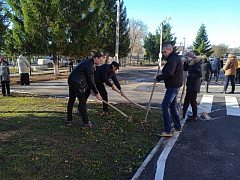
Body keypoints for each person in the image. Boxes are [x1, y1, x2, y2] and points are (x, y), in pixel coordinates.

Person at [153, 43, 183, 137]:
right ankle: (177, 127)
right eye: (163, 52)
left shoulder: (173, 59)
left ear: (170, 50)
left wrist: (158, 77)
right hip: (175, 84)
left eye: (165, 52)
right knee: (173, 106)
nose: (164, 54)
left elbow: (170, 72)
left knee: (165, 105)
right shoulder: (176, 57)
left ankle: (168, 130)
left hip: (173, 85)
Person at [67, 52, 103, 127]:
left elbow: (87, 78)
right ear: (96, 58)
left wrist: (91, 89)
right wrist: (97, 93)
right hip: (77, 83)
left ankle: (69, 120)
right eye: (100, 60)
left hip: (71, 80)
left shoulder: (88, 61)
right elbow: (91, 81)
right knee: (82, 101)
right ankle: (86, 123)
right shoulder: (90, 65)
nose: (101, 62)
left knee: (71, 99)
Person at [182, 52, 202, 122]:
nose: (186, 59)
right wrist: (186, 62)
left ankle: (194, 116)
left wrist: (189, 75)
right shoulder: (190, 63)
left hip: (194, 85)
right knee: (187, 100)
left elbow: (199, 74)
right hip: (190, 84)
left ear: (191, 57)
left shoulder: (196, 64)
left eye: (187, 58)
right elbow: (184, 69)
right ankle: (183, 114)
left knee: (193, 101)